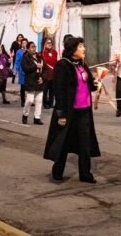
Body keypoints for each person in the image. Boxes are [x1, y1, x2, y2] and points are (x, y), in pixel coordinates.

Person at [44, 36, 101, 184]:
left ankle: (85, 174)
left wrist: (96, 82)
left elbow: (89, 84)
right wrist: (61, 114)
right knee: (64, 142)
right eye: (80, 46)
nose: (84, 49)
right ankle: (57, 171)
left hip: (84, 111)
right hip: (69, 112)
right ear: (73, 50)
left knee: (85, 144)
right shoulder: (63, 65)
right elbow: (59, 90)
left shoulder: (81, 64)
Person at [21, 41, 45, 125]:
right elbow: (25, 68)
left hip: (39, 81)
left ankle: (37, 117)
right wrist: (35, 66)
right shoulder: (25, 57)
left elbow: (44, 68)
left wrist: (42, 78)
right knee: (29, 100)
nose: (34, 48)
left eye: (34, 46)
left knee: (39, 100)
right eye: (32, 47)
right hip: (30, 81)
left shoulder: (40, 57)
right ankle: (25, 114)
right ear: (27, 49)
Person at [41, 37, 58, 109]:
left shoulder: (54, 52)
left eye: (50, 43)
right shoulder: (42, 53)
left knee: (52, 90)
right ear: (44, 44)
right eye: (48, 43)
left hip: (53, 74)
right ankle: (45, 103)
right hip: (46, 74)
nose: (49, 44)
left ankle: (51, 103)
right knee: (45, 90)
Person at [14, 37, 28, 107]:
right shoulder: (19, 51)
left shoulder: (30, 51)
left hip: (29, 71)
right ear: (21, 44)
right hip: (22, 71)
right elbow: (17, 61)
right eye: (23, 43)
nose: (24, 44)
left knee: (29, 87)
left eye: (25, 43)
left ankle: (29, 100)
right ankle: (23, 101)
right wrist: (15, 70)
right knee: (23, 87)